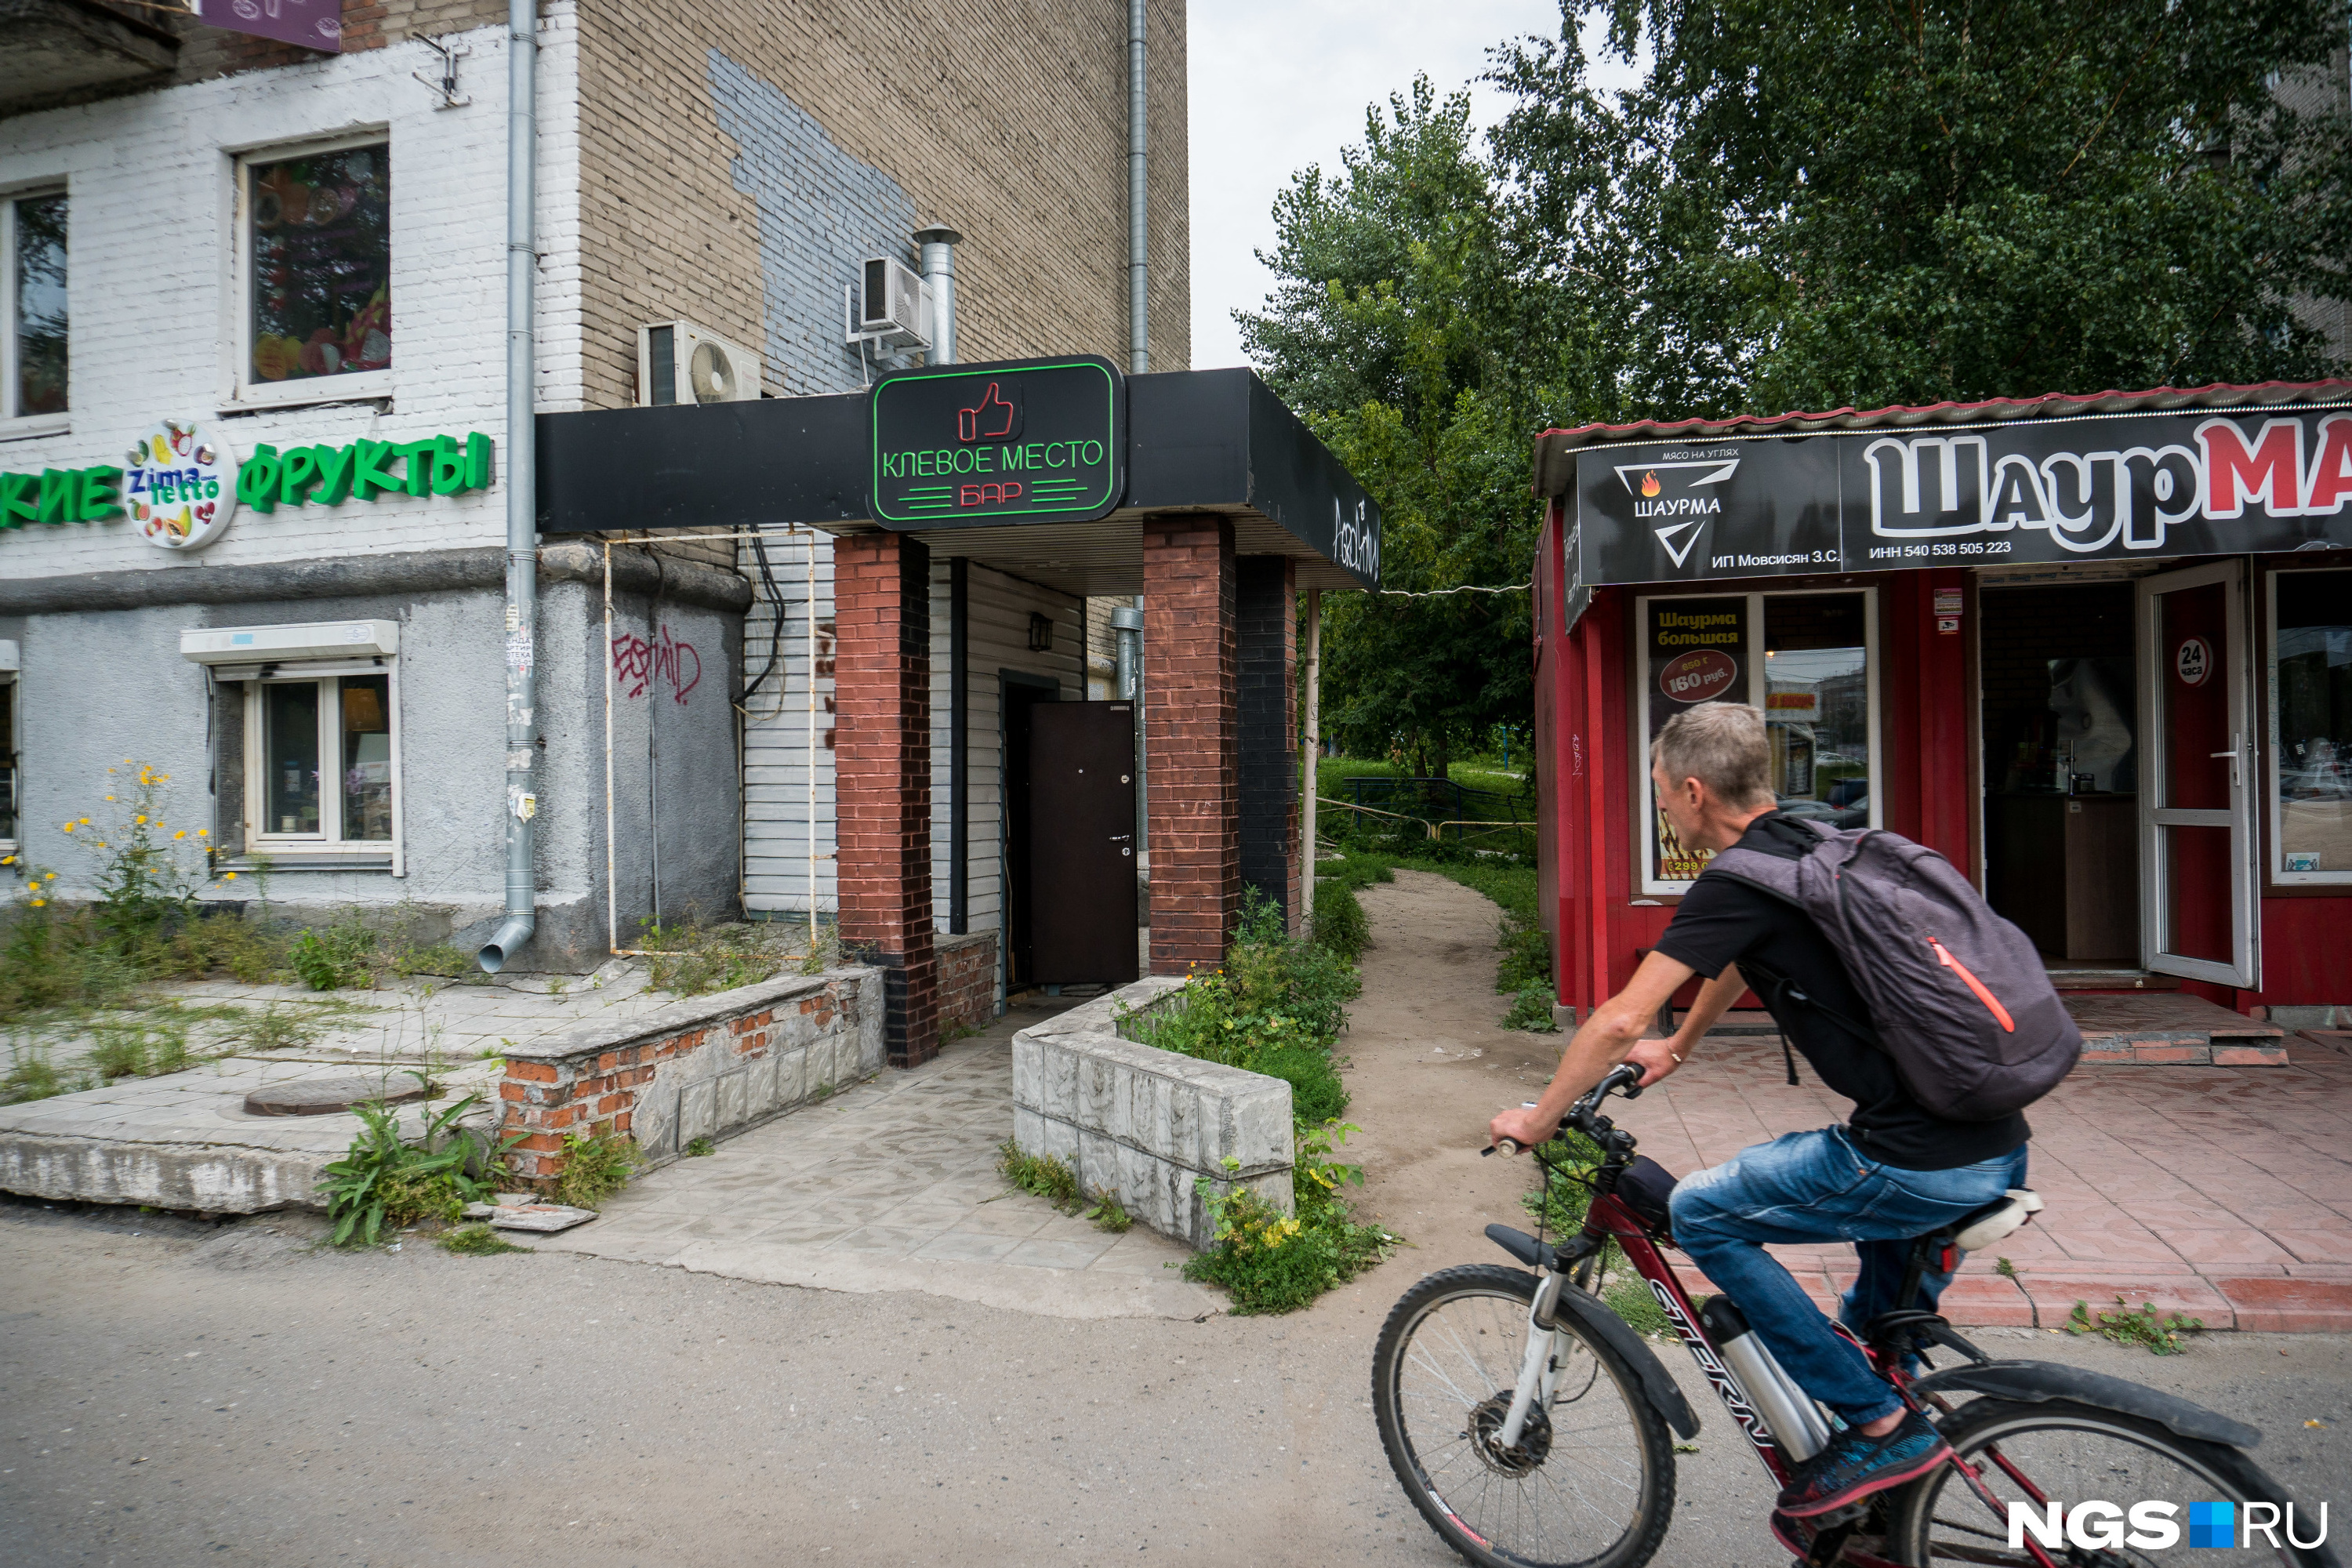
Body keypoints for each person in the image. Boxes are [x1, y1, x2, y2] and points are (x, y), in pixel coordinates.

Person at [1488, 701, 2029, 1525]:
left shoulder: (1734, 878)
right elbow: (1747, 957)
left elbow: (1617, 1019)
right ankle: (1895, 1493)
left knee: (1703, 1211)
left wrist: (1537, 1116)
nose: (1663, 807)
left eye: (1664, 791)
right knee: (1867, 1336)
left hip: (1916, 1159)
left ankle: (1886, 1429)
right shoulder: (1813, 844)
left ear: (1696, 790)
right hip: (1992, 1139)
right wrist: (1685, 1043)